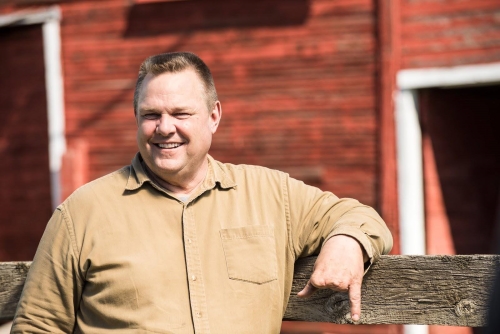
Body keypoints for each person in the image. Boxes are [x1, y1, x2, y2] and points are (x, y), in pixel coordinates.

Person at [11, 52, 393, 333]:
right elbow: (38, 325)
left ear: (213, 116)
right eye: (151, 115)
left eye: (181, 113)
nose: (164, 128)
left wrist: (347, 241)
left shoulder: (271, 194)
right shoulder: (83, 213)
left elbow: (361, 217)